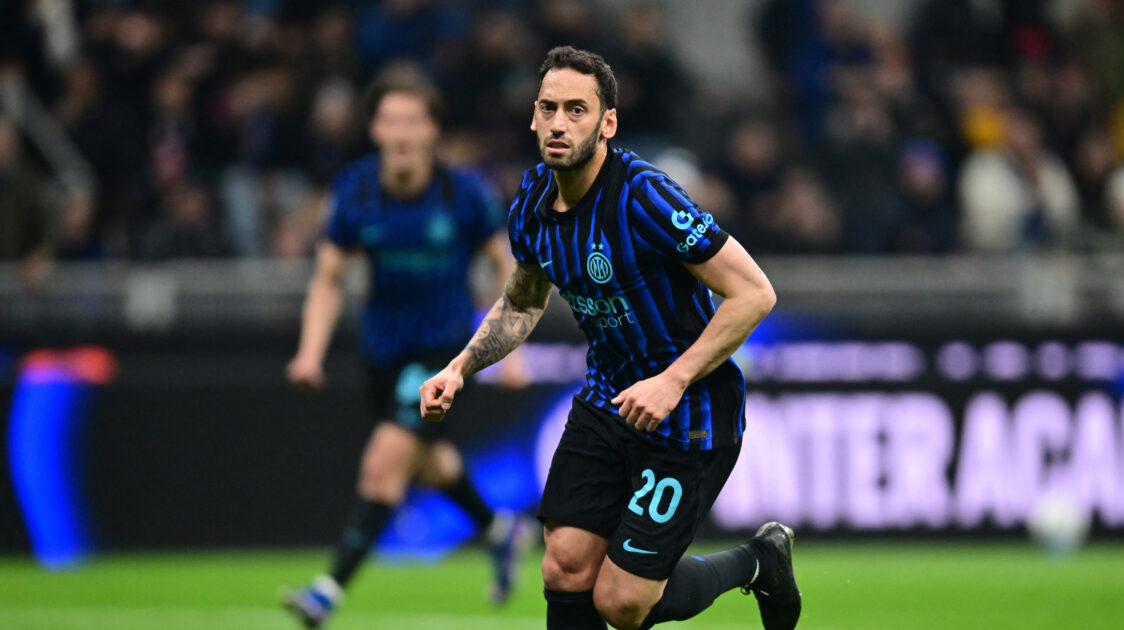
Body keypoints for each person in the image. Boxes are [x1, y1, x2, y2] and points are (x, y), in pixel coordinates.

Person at [420, 46, 801, 630]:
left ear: (608, 123)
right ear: (533, 117)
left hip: (689, 413)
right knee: (564, 566)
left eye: (577, 110)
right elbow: (522, 301)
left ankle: (759, 560)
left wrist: (672, 380)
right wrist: (459, 367)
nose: (559, 122)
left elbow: (754, 293)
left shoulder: (644, 195)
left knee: (622, 603)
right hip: (606, 403)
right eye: (548, 108)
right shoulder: (531, 202)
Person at [281, 67, 528, 628]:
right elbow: (328, 279)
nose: (401, 133)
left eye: (413, 121)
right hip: (381, 354)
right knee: (430, 465)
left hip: (444, 355)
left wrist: (509, 349)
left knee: (383, 465)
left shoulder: (463, 193)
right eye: (390, 120)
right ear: (374, 129)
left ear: (433, 129)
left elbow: (510, 269)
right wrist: (310, 353)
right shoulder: (355, 191)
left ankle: (327, 591)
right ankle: (497, 529)